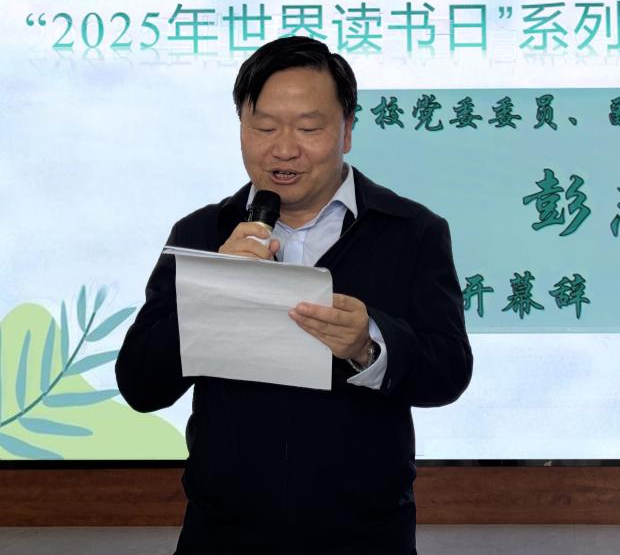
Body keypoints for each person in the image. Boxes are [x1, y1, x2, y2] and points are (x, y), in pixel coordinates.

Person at [115, 36, 473, 554]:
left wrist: (369, 345)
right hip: (223, 535)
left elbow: (449, 372)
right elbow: (140, 385)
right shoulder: (201, 232)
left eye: (308, 128)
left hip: (365, 536)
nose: (283, 149)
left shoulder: (411, 231)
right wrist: (215, 294)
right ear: (241, 126)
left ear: (346, 130)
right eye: (263, 127)